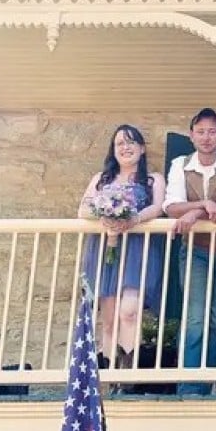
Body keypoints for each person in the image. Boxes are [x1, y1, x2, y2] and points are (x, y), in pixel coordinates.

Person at [163, 108, 216, 396]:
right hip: (195, 251)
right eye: (201, 131)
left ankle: (205, 384)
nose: (206, 137)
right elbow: (171, 207)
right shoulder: (181, 164)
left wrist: (194, 213)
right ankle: (189, 387)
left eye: (212, 131)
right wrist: (205, 205)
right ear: (192, 135)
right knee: (195, 319)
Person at [78, 125, 167, 367]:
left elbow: (158, 207)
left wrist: (133, 219)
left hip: (137, 251)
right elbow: (82, 210)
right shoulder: (101, 179)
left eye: (131, 142)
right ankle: (109, 375)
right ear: (113, 150)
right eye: (120, 144)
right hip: (107, 248)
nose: (125, 147)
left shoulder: (153, 180)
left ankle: (129, 372)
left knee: (129, 311)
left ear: (142, 148)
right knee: (108, 320)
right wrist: (104, 216)